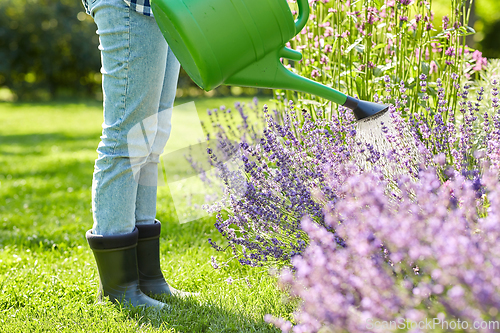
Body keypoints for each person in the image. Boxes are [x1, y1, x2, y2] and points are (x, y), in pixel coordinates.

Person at [80, 0, 193, 308]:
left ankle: (147, 278)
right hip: (129, 4)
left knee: (151, 136)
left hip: (165, 7)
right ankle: (120, 288)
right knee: (126, 139)